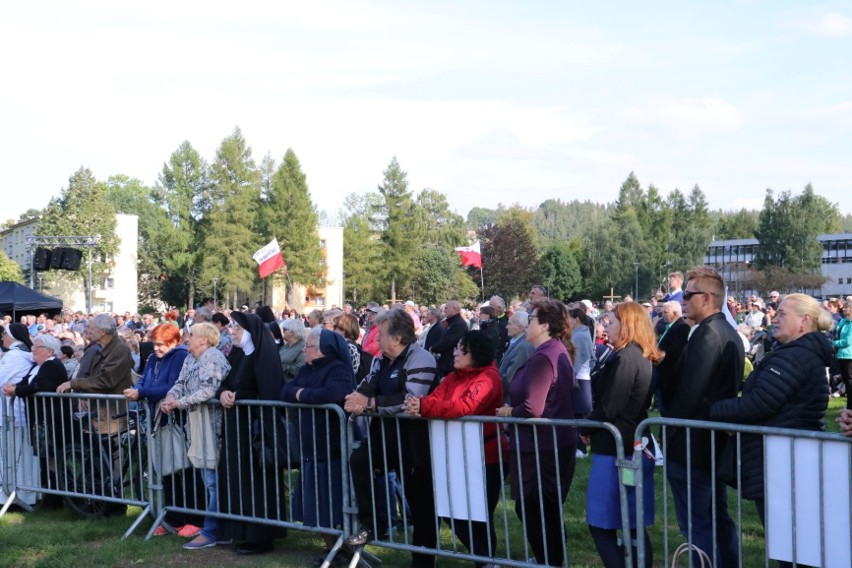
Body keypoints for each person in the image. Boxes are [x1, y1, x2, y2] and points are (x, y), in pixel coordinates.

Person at [710, 295, 832, 535]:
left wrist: (712, 409)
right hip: (784, 460)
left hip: (782, 465)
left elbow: (758, 404)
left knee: (790, 544)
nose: (774, 319)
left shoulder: (795, 356)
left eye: (782, 314)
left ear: (804, 321)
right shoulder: (797, 353)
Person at [344, 308, 439, 568]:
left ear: (397, 338)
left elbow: (411, 398)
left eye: (382, 335)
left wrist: (371, 403)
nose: (376, 339)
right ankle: (372, 522)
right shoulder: (380, 360)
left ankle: (424, 559)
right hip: (385, 435)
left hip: (416, 442)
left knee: (419, 500)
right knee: (360, 460)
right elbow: (366, 386)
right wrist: (357, 398)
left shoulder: (422, 359)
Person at [404, 330, 508, 568]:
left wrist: (423, 406)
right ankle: (485, 560)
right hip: (457, 453)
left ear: (476, 353)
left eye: (462, 348)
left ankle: (485, 560)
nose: (455, 352)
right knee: (454, 511)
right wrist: (422, 404)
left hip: (486, 457)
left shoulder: (489, 378)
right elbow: (438, 397)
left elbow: (464, 406)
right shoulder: (453, 377)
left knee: (478, 515)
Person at [662, 267, 742, 567]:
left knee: (699, 524)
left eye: (688, 294)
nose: (683, 300)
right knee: (716, 518)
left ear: (707, 298)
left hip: (693, 447)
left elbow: (689, 392)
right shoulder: (725, 331)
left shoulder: (709, 334)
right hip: (709, 443)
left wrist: (668, 430)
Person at [496, 299, 577, 567]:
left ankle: (549, 560)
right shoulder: (553, 351)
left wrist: (509, 412)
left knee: (537, 510)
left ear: (544, 325)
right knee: (543, 511)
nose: (528, 323)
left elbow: (533, 407)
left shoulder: (545, 356)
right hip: (546, 445)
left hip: (541, 447)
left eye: (531, 319)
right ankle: (552, 559)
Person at [581, 302, 662, 568]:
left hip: (617, 451)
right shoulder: (634, 355)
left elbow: (610, 407)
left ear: (626, 325)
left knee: (602, 523)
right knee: (632, 524)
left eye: (612, 322)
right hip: (626, 446)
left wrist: (583, 427)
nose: (606, 326)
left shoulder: (627, 358)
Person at [281, 327, 356, 564]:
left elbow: (333, 393)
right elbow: (286, 390)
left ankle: (345, 551)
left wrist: (302, 394)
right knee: (318, 505)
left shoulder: (338, 369)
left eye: (309, 347)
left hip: (331, 447)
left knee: (334, 503)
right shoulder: (307, 368)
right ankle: (333, 547)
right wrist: (305, 393)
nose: (304, 350)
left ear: (323, 350)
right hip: (311, 447)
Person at [216, 311, 286, 555]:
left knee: (255, 481)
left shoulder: (264, 356)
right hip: (236, 428)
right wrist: (223, 393)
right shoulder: (237, 354)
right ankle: (241, 531)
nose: (232, 331)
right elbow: (226, 381)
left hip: (256, 432)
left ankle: (261, 536)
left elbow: (269, 393)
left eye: (237, 328)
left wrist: (241, 397)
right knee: (237, 478)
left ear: (250, 332)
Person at [123, 323, 202, 537]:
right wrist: (137, 390)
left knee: (184, 469)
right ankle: (173, 517)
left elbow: (172, 386)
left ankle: (194, 518)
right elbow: (145, 380)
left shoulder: (180, 357)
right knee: (167, 469)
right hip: (157, 420)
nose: (156, 349)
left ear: (174, 342)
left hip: (177, 420)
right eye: (154, 344)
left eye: (161, 345)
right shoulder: (152, 359)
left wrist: (142, 393)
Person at [161, 322, 232, 550]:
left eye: (191, 335)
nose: (186, 338)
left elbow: (208, 390)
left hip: (212, 424)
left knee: (212, 481)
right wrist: (170, 397)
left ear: (204, 339)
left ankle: (212, 530)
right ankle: (218, 529)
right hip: (195, 423)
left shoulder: (213, 357)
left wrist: (177, 404)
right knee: (206, 478)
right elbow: (180, 383)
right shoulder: (189, 358)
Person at [2, 333, 67, 508]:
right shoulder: (37, 366)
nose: (33, 350)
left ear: (48, 351)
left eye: (37, 347)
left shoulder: (52, 365)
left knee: (52, 457)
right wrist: (13, 387)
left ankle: (56, 498)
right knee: (46, 458)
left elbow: (40, 386)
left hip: (51, 419)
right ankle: (52, 496)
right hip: (39, 419)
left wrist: (17, 391)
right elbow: (25, 382)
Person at [57, 313, 134, 435]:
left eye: (91, 328)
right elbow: (89, 375)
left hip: (110, 416)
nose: (87, 331)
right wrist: (84, 393)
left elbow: (106, 380)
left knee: (111, 451)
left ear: (102, 331)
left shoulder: (120, 350)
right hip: (98, 413)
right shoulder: (99, 348)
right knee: (95, 450)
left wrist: (73, 384)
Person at [497, 310, 535, 400]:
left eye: (510, 324)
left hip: (510, 400)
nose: (506, 327)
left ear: (520, 327)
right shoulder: (517, 342)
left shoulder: (523, 347)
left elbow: (510, 378)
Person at [333, 313, 373, 383]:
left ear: (345, 329)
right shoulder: (345, 345)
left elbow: (349, 374)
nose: (333, 330)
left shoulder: (350, 347)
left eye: (335, 327)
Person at [833, 300, 852, 408]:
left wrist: (833, 343)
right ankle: (849, 406)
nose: (843, 309)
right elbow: (837, 334)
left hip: (849, 356)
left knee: (850, 382)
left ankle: (850, 407)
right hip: (841, 355)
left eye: (845, 307)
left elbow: (847, 341)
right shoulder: (844, 321)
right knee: (846, 381)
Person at [279, 318, 306, 382]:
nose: (282, 331)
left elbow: (299, 369)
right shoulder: (285, 347)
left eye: (284, 329)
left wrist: (279, 366)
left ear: (292, 332)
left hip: (292, 385)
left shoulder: (303, 348)